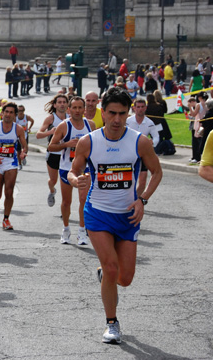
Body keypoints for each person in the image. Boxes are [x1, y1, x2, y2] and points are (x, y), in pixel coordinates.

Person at [67, 87, 162, 344]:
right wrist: (78, 182)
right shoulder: (89, 141)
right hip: (97, 213)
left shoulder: (140, 141)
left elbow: (157, 172)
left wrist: (142, 200)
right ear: (102, 112)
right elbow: (72, 172)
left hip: (127, 216)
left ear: (128, 112)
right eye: (112, 113)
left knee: (125, 278)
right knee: (111, 267)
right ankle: (112, 323)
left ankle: (105, 274)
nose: (117, 119)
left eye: (122, 113)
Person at [48, 97, 95, 245]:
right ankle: (66, 229)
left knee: (83, 199)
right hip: (66, 168)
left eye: (80, 107)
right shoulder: (64, 126)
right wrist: (66, 144)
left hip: (85, 169)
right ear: (69, 109)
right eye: (74, 108)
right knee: (67, 201)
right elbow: (51, 146)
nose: (77, 111)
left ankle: (82, 231)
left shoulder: (90, 125)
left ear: (84, 109)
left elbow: (97, 145)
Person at [0, 102, 27, 229]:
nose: (8, 114)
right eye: (6, 112)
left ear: (14, 115)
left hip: (11, 163)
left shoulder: (18, 129)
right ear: (2, 113)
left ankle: (6, 219)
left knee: (9, 192)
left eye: (11, 112)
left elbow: (24, 146)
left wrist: (23, 152)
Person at [36, 94, 69, 207]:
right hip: (53, 153)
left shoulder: (71, 117)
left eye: (64, 102)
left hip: (67, 153)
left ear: (67, 104)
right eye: (59, 102)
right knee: (53, 180)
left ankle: (65, 205)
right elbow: (38, 135)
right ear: (55, 105)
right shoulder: (51, 118)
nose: (62, 104)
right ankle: (52, 191)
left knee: (67, 182)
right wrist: (50, 132)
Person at [127, 97, 160, 197]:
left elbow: (156, 137)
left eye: (142, 107)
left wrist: (152, 143)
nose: (140, 109)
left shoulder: (149, 123)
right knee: (130, 180)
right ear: (134, 108)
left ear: (145, 108)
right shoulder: (128, 121)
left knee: (142, 181)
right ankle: (127, 200)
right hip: (129, 154)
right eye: (138, 107)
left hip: (143, 154)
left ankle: (136, 201)